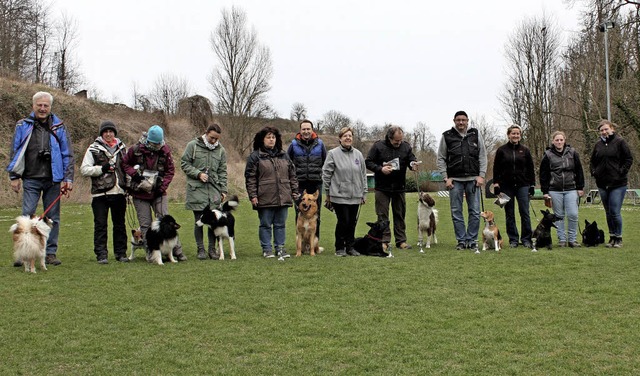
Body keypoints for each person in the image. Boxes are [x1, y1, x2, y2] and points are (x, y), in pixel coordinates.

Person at [7, 91, 74, 266]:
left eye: (46, 105)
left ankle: (50, 253)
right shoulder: (23, 125)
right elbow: (15, 151)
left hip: (54, 178)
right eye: (39, 105)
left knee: (53, 217)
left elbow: (67, 154)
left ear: (50, 107)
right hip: (30, 178)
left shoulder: (59, 126)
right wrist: (14, 176)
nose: (42, 108)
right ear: (33, 106)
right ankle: (24, 254)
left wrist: (69, 178)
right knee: (27, 217)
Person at [121, 125, 187, 261]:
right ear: (148, 140)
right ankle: (151, 253)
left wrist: (162, 187)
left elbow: (170, 171)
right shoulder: (135, 149)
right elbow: (124, 164)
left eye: (159, 143)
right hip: (140, 193)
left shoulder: (165, 150)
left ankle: (177, 251)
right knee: (145, 225)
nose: (157, 146)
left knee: (166, 221)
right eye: (154, 143)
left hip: (159, 193)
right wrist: (135, 175)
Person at [244, 126, 298, 259]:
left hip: (283, 195)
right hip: (264, 196)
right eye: (268, 137)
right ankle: (267, 249)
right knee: (265, 224)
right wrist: (253, 196)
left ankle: (280, 248)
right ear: (262, 139)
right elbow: (250, 178)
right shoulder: (255, 157)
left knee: (280, 225)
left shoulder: (284, 155)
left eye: (273, 137)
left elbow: (292, 175)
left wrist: (295, 191)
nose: (271, 139)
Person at [436, 110, 487, 250]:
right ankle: (461, 241)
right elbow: (441, 158)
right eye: (458, 120)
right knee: (456, 211)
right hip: (455, 180)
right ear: (454, 121)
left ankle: (472, 240)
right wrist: (446, 178)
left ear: (467, 121)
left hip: (473, 179)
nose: (461, 122)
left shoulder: (475, 134)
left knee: (475, 211)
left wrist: (481, 175)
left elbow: (482, 155)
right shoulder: (447, 136)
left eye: (463, 120)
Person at [80, 121, 129, 263]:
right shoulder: (93, 149)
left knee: (119, 224)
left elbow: (126, 169)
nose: (108, 134)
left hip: (119, 192)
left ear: (115, 133)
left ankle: (121, 253)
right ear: (101, 134)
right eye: (105, 131)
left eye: (111, 131)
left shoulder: (122, 149)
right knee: (100, 225)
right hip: (100, 193)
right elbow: (84, 169)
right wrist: (102, 169)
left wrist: (128, 187)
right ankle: (101, 254)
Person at [365, 125, 418, 250]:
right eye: (396, 141)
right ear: (389, 138)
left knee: (400, 214)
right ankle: (384, 241)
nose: (398, 143)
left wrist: (413, 164)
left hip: (399, 187)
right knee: (382, 215)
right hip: (382, 187)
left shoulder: (406, 146)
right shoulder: (378, 146)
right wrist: (380, 169)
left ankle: (401, 241)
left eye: (400, 140)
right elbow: (368, 162)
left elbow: (411, 159)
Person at [180, 123, 228, 260]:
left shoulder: (221, 150)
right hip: (196, 189)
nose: (214, 141)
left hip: (213, 190)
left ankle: (212, 250)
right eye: (212, 138)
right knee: (199, 221)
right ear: (205, 133)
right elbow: (184, 163)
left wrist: (223, 190)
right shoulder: (192, 146)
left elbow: (222, 171)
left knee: (213, 221)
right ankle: (200, 249)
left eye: (217, 139)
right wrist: (198, 174)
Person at [323, 127, 368, 256]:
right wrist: (328, 193)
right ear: (340, 138)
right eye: (345, 136)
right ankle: (339, 247)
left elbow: (363, 174)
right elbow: (326, 174)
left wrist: (364, 192)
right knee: (343, 222)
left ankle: (350, 247)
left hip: (355, 195)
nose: (348, 138)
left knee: (352, 222)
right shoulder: (332, 154)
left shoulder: (358, 154)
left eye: (350, 136)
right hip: (338, 195)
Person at [590, 119, 633, 248]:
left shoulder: (620, 142)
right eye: (601, 130)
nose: (604, 132)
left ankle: (619, 237)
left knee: (615, 211)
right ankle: (612, 236)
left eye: (606, 129)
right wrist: (594, 172)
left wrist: (621, 171)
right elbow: (592, 161)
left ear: (612, 129)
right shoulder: (598, 145)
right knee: (608, 212)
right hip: (602, 183)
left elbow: (628, 159)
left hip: (618, 183)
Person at [539, 131, 585, 248]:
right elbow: (543, 174)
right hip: (554, 189)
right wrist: (545, 191)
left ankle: (572, 239)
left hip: (571, 188)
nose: (559, 142)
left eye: (561, 140)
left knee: (573, 214)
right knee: (558, 216)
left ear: (564, 140)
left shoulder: (573, 153)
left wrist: (580, 187)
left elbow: (579, 170)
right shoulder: (548, 155)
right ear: (553, 141)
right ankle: (562, 240)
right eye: (557, 140)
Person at [493, 124, 535, 249]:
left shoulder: (525, 150)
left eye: (518, 133)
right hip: (506, 186)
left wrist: (532, 185)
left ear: (520, 135)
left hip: (523, 185)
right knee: (509, 214)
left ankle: (526, 239)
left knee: (524, 213)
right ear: (508, 135)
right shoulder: (502, 150)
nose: (516, 135)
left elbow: (531, 169)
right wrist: (496, 183)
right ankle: (513, 239)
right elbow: (496, 168)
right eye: (513, 133)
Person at [287, 119, 327, 242]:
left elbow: (325, 161)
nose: (306, 131)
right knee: (299, 213)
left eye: (308, 129)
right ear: (300, 130)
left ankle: (314, 242)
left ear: (312, 130)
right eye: (303, 129)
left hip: (315, 183)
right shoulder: (293, 144)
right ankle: (301, 243)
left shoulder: (320, 144)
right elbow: (288, 163)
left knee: (316, 214)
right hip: (299, 184)